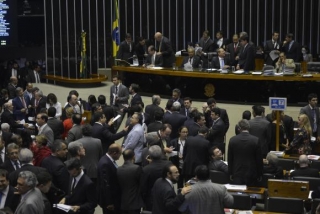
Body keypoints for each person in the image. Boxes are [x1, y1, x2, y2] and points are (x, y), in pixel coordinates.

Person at [228, 119, 263, 185]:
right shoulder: (256, 140)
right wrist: (260, 174)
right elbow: (259, 160)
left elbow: (230, 159)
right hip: (252, 172)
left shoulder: (232, 140)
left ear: (239, 128)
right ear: (249, 127)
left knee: (238, 194)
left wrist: (230, 173)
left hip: (237, 171)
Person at [140, 145, 171, 211]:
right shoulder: (169, 164)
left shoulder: (146, 169)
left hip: (151, 199)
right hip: (167, 196)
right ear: (161, 154)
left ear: (149, 155)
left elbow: (143, 187)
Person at [97, 143, 122, 214]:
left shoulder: (106, 159)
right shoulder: (106, 163)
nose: (120, 156)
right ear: (114, 153)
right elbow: (105, 184)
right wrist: (109, 202)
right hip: (109, 201)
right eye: (120, 154)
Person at [117, 149, 143, 214]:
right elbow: (142, 184)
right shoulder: (137, 168)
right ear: (133, 156)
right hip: (135, 202)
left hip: (123, 202)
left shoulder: (118, 169)